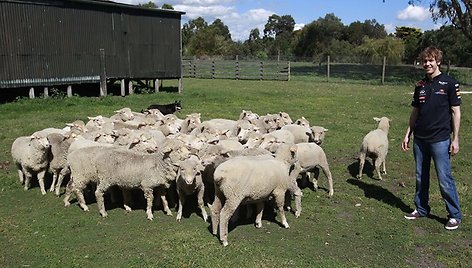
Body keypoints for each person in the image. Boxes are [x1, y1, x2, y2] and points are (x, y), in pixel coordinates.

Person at [401, 47, 462, 230]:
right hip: (420, 139)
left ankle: (454, 215)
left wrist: (456, 138)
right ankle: (421, 208)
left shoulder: (450, 83)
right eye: (424, 61)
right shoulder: (420, 85)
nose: (427, 64)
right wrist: (408, 133)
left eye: (431, 61)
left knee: (444, 178)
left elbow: (455, 112)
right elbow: (415, 112)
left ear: (438, 62)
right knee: (421, 176)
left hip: (441, 139)